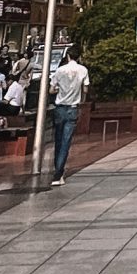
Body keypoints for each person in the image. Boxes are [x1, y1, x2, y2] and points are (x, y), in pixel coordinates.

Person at [47, 43, 90, 181]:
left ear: (68, 56)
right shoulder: (83, 70)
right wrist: (81, 101)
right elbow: (85, 90)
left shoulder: (60, 70)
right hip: (73, 108)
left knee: (58, 140)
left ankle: (57, 169)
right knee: (66, 141)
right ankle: (59, 172)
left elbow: (51, 90)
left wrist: (60, 90)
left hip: (60, 107)